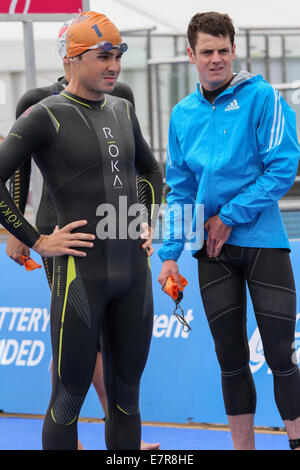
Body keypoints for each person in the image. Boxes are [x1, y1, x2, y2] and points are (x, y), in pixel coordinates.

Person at [0, 11, 162, 450]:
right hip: (80, 278)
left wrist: (144, 218)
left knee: (127, 401)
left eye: (119, 55)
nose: (113, 65)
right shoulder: (44, 115)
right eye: (103, 55)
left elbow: (149, 171)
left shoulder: (123, 108)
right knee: (67, 401)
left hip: (133, 275)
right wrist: (38, 239)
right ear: (72, 58)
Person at [158, 11, 300, 451]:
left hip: (262, 245)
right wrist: (168, 254)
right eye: (207, 52)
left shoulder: (263, 98)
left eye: (223, 50)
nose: (216, 59)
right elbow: (180, 189)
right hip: (212, 254)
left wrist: (230, 215)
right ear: (190, 55)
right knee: (231, 360)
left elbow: (284, 166)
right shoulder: (182, 115)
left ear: (234, 51)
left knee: (280, 355)